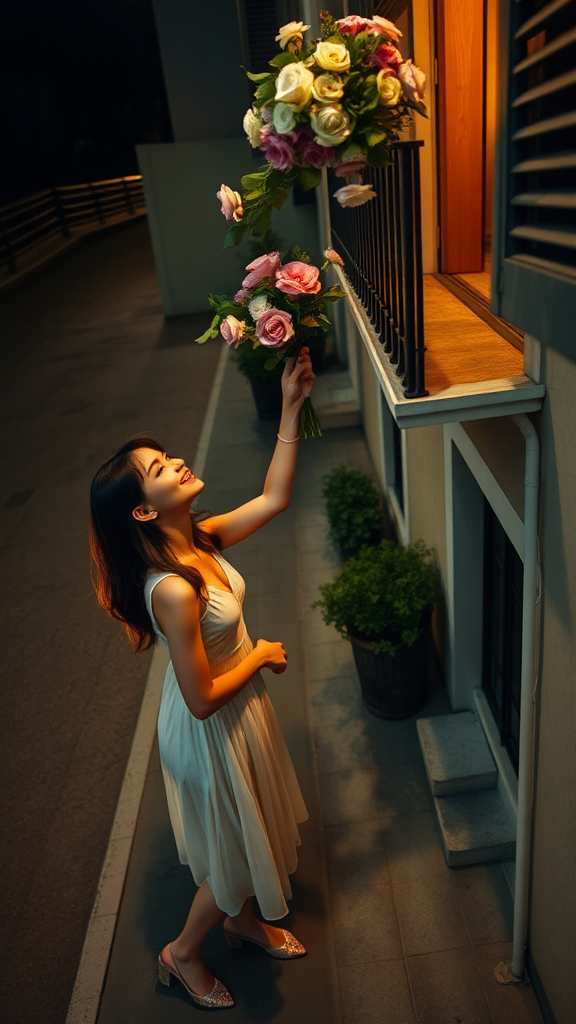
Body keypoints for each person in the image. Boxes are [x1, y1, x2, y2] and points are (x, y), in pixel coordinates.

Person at [89, 349, 315, 1010]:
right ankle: (182, 954)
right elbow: (199, 698)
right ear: (140, 511)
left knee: (250, 831)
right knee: (232, 853)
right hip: (210, 725)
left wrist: (291, 405)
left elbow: (274, 497)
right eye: (159, 470)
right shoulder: (173, 591)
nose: (177, 462)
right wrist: (261, 653)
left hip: (238, 712)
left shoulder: (199, 541)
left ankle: (242, 922)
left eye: (166, 457)